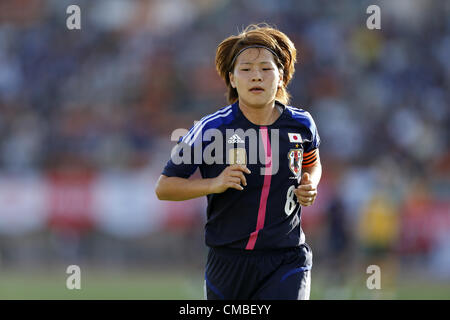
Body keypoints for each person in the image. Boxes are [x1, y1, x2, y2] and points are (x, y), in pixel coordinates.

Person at [155, 23, 322, 300]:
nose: (256, 76)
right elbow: (164, 187)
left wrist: (310, 183)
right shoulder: (210, 129)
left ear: (281, 77)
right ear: (232, 79)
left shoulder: (302, 124)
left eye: (266, 69)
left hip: (287, 257)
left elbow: (312, 163)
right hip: (228, 262)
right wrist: (214, 183)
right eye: (246, 69)